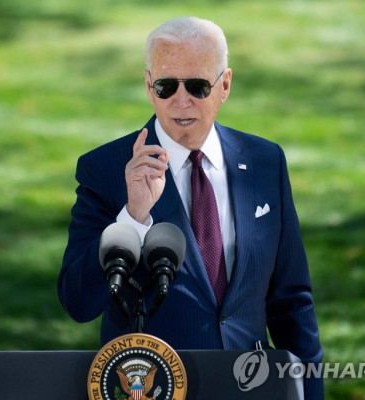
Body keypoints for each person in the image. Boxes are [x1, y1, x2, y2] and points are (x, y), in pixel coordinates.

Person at [58, 16, 323, 398]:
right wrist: (133, 217)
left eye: (198, 86)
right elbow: (78, 302)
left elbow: (291, 302)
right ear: (149, 87)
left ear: (225, 86)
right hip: (155, 388)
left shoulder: (265, 162)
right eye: (167, 86)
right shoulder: (105, 170)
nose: (181, 101)